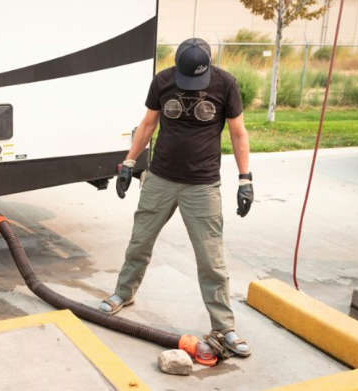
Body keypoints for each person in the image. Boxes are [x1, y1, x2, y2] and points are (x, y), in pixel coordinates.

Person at [100, 38, 254, 358]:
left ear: (209, 66)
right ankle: (123, 294)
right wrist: (129, 162)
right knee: (139, 242)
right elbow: (148, 124)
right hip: (160, 179)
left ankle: (224, 326)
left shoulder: (226, 84)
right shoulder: (163, 81)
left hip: (202, 185)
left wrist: (245, 179)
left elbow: (238, 132)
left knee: (211, 260)